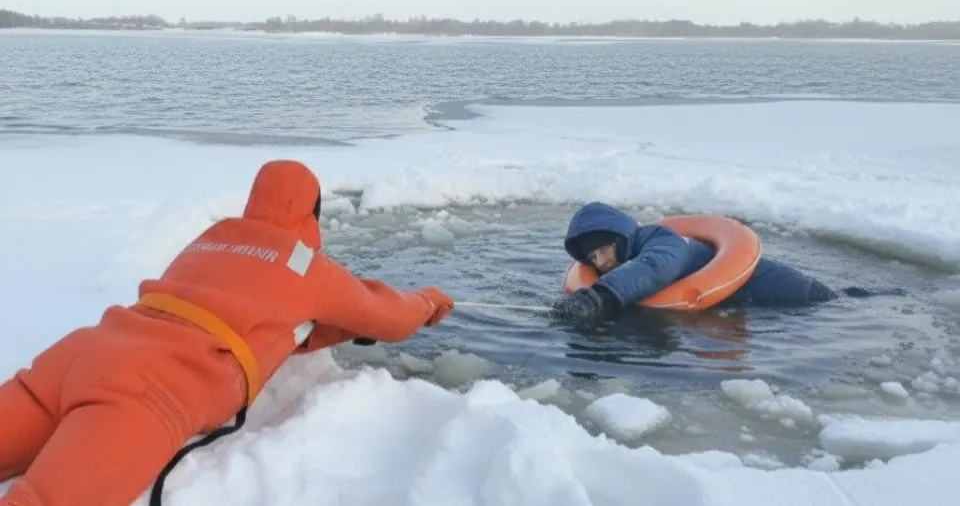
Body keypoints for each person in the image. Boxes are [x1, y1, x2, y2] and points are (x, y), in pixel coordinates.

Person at [0, 159, 454, 506]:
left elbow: (252, 316)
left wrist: (331, 333)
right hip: (151, 385)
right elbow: (387, 316)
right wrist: (429, 302)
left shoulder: (213, 237)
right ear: (312, 216)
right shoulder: (305, 266)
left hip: (87, 349)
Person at [554, 201, 841, 320]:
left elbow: (655, 267)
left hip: (803, 300)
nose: (600, 261)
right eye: (592, 257)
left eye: (603, 249)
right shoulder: (631, 255)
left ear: (621, 239)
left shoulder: (663, 241)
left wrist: (598, 297)